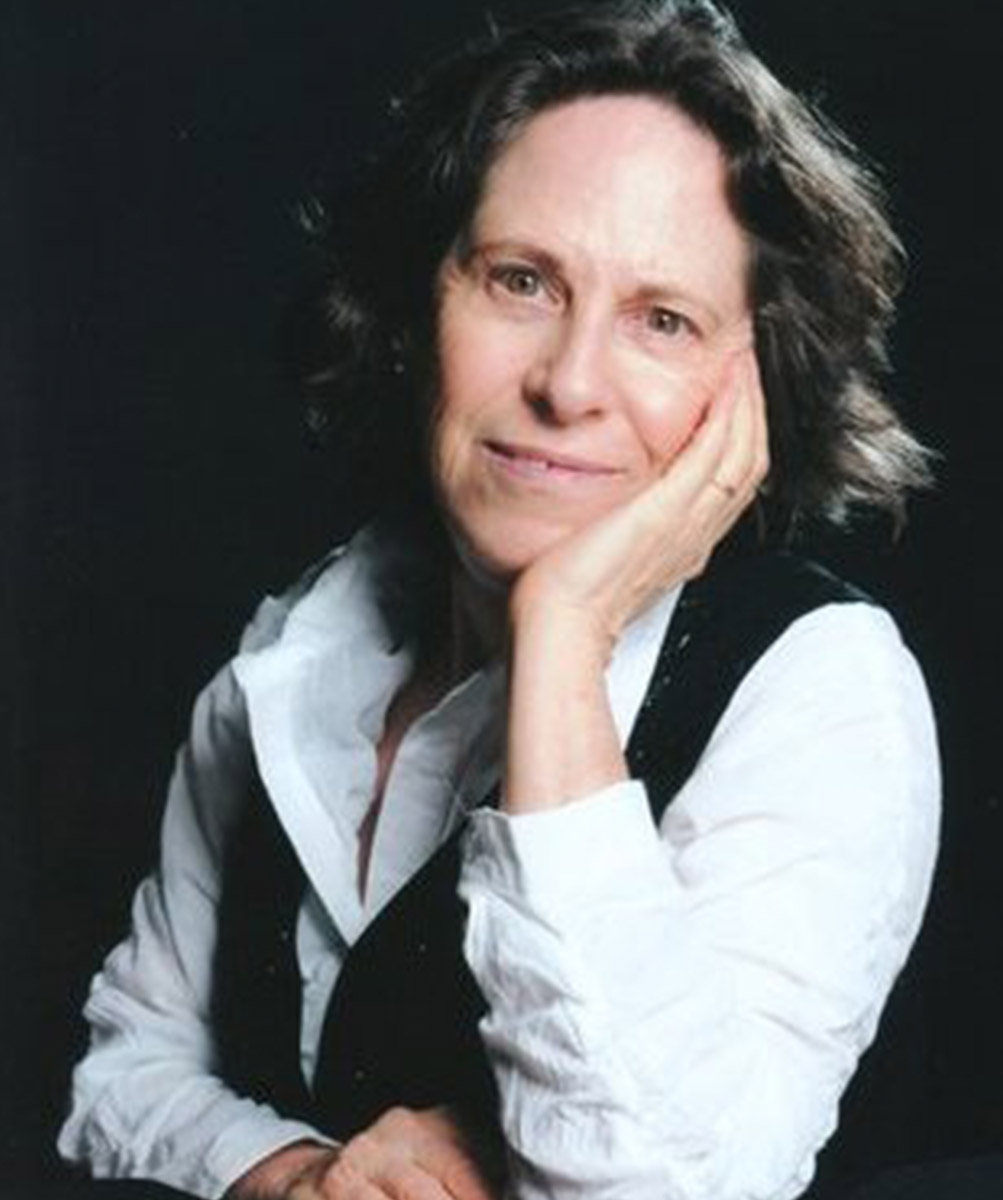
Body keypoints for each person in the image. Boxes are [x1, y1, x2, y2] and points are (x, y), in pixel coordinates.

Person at [58, 2, 940, 1198]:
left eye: (661, 319)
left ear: (756, 395)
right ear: (421, 310)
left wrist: (565, 634)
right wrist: (301, 1177)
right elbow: (130, 1069)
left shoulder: (820, 690)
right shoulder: (303, 650)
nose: (568, 383)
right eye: (521, 281)